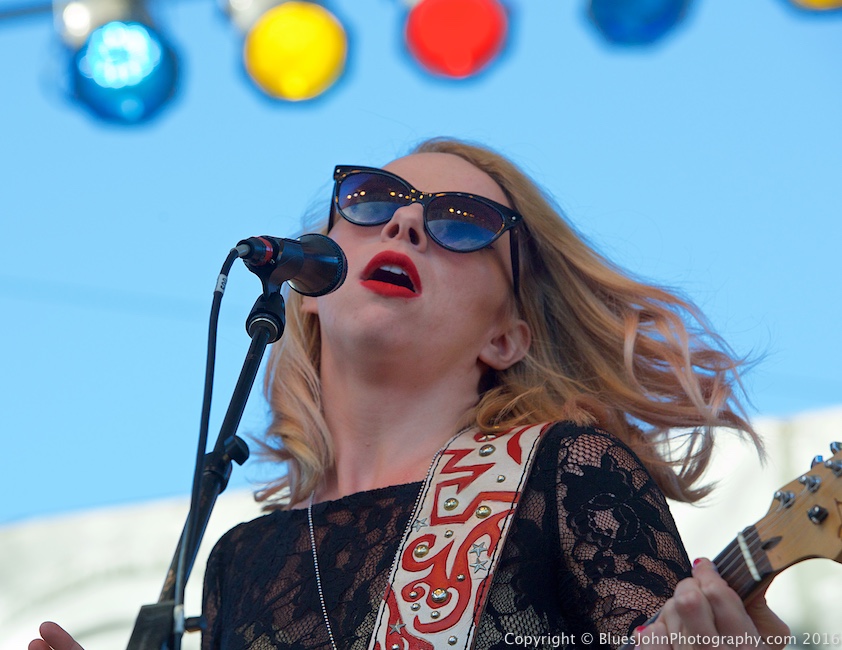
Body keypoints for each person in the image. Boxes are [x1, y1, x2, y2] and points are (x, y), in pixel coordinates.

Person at [31, 138, 788, 650]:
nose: (405, 219)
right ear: (309, 290)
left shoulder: (567, 474)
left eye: (465, 224)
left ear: (507, 336)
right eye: (368, 198)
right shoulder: (239, 561)